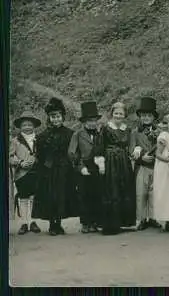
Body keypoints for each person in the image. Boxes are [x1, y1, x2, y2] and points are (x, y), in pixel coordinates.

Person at [32, 98, 78, 235]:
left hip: (64, 169)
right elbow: (39, 155)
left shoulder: (70, 134)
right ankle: (52, 224)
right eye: (53, 117)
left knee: (62, 195)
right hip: (49, 170)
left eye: (58, 116)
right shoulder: (42, 136)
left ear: (62, 117)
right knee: (50, 195)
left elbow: (72, 152)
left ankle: (59, 223)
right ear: (49, 118)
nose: (56, 119)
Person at [93, 102, 136, 235]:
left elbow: (130, 145)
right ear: (112, 114)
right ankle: (110, 225)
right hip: (110, 161)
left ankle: (123, 222)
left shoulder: (127, 129)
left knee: (124, 188)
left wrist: (135, 150)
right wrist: (101, 162)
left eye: (121, 114)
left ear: (125, 115)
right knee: (111, 190)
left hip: (123, 161)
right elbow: (100, 145)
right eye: (116, 113)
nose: (118, 116)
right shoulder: (105, 128)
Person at [68, 101, 103, 234]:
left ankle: (94, 221)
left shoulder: (101, 133)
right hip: (84, 167)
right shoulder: (78, 134)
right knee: (84, 195)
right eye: (89, 120)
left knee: (97, 194)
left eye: (94, 120)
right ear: (84, 121)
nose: (92, 123)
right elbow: (72, 153)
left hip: (98, 166)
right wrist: (80, 166)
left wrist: (102, 163)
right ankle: (85, 223)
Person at [130, 97, 162, 230]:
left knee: (154, 192)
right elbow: (131, 150)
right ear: (140, 117)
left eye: (149, 115)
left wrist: (157, 156)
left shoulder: (159, 132)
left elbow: (162, 147)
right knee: (141, 193)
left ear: (153, 117)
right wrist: (141, 158)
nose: (146, 118)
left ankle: (153, 217)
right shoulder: (135, 132)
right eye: (143, 115)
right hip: (142, 166)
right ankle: (141, 218)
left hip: (156, 165)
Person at [9, 111, 42, 235]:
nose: (27, 127)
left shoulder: (39, 138)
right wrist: (20, 162)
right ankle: (24, 223)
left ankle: (33, 221)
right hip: (22, 174)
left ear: (34, 126)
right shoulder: (15, 140)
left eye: (30, 124)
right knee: (23, 197)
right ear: (20, 127)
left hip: (36, 172)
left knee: (34, 197)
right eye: (24, 125)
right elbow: (10, 157)